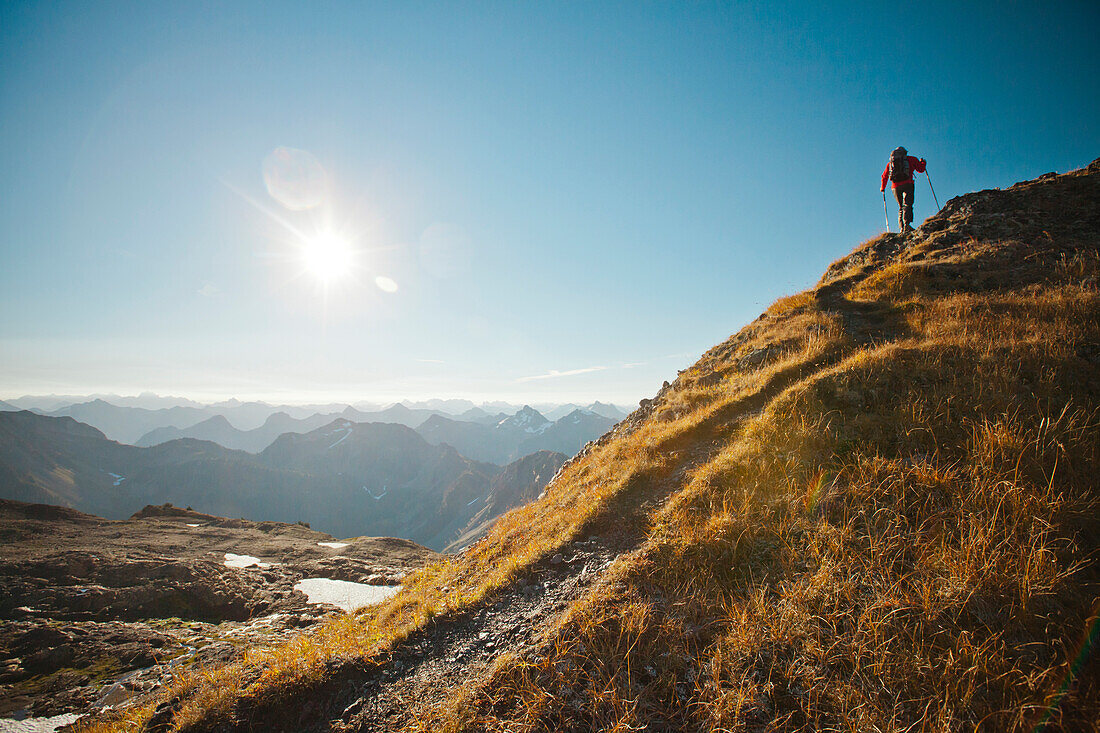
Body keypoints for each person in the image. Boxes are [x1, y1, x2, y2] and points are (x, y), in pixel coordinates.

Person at [881, 147, 927, 232]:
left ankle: (901, 228)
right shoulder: (911, 159)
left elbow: (884, 176)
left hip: (895, 187)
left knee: (901, 207)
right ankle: (907, 225)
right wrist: (923, 163)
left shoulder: (890, 164)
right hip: (908, 184)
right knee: (908, 204)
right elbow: (921, 169)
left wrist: (882, 188)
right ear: (905, 153)